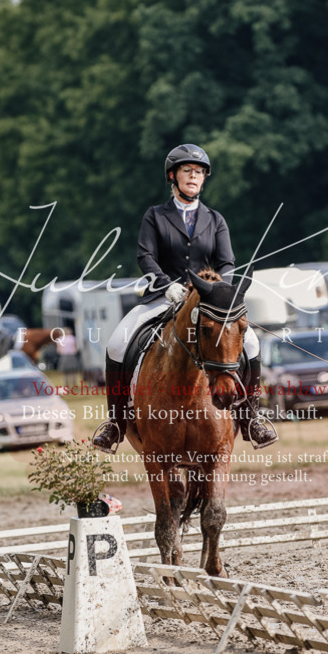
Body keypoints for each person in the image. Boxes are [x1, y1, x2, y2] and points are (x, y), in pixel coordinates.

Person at [93, 143, 277, 453]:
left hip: (208, 301)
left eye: (199, 172)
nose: (194, 177)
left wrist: (220, 292)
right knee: (118, 341)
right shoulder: (155, 216)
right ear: (173, 176)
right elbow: (145, 255)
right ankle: (116, 422)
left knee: (252, 343)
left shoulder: (215, 219)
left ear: (204, 179)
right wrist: (165, 285)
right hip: (165, 296)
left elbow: (227, 263)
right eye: (187, 171)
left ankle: (251, 418)